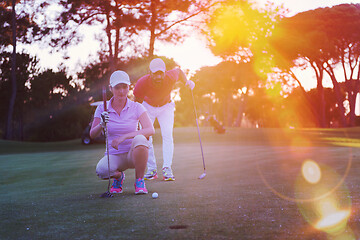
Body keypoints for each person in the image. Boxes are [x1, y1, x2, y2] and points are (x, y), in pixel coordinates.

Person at [90, 70, 155, 194]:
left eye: (125, 87)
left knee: (141, 139)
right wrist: (101, 124)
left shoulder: (137, 107)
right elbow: (92, 135)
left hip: (132, 155)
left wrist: (124, 137)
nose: (121, 91)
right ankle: (119, 178)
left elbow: (150, 130)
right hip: (114, 156)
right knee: (102, 170)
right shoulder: (101, 108)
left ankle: (139, 181)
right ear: (110, 88)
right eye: (117, 87)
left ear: (129, 87)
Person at [133, 58, 195, 181]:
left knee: (167, 135)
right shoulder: (141, 83)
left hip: (166, 106)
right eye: (155, 73)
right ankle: (152, 169)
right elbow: (137, 104)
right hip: (147, 107)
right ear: (150, 73)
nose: (158, 77)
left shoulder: (171, 76)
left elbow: (179, 71)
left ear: (165, 72)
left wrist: (187, 82)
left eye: (160, 73)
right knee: (146, 136)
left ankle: (167, 168)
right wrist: (136, 120)